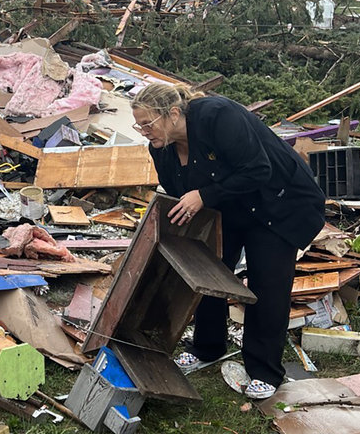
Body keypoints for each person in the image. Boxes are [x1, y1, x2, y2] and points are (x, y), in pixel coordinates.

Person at [131, 83, 325, 399]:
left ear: (174, 113)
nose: (143, 131)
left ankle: (265, 370)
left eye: (148, 124)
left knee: (267, 285)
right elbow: (178, 190)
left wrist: (204, 195)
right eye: (138, 125)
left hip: (277, 202)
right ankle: (208, 347)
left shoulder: (218, 116)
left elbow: (258, 169)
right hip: (231, 207)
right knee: (208, 271)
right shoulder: (161, 148)